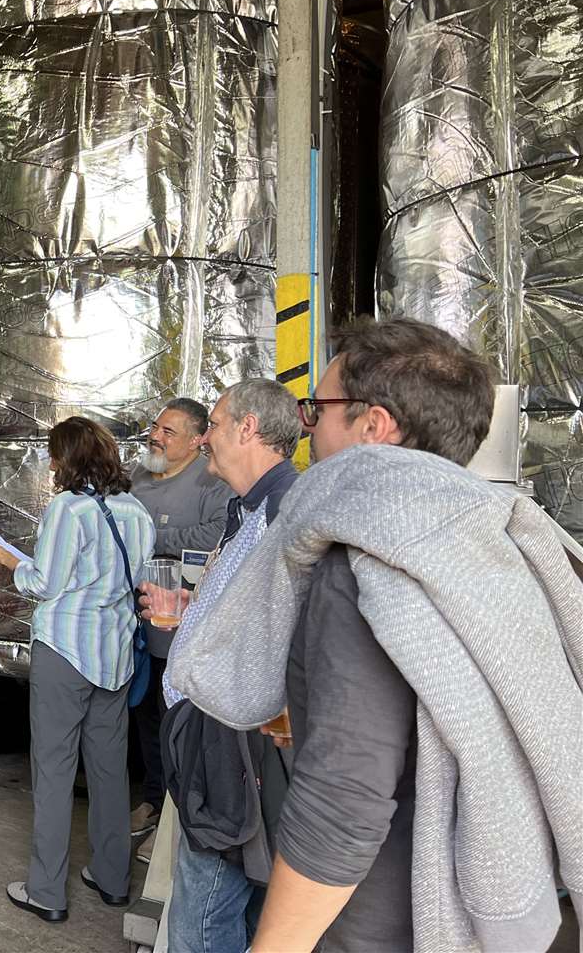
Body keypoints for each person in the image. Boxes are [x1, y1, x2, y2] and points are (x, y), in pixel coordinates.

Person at [171, 320, 564, 951]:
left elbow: (344, 797)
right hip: (467, 901)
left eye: (318, 409)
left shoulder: (359, 561)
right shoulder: (489, 538)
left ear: (373, 427)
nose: (307, 427)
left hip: (376, 917)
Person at [140, 379, 301, 953]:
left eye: (212, 424)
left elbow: (291, 637)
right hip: (211, 736)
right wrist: (191, 609)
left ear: (248, 428)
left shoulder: (287, 512)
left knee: (203, 921)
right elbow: (248, 612)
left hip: (232, 747)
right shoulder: (246, 509)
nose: (205, 437)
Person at [0, 417, 153, 921]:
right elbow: (133, 583)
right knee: (109, 769)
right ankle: (113, 877)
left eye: (55, 455)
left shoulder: (67, 509)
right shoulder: (136, 510)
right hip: (114, 655)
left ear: (68, 459)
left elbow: (46, 583)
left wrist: (10, 562)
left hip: (64, 651)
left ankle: (47, 892)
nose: (51, 464)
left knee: (53, 771)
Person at [127, 398, 230, 856]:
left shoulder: (212, 481)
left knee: (177, 723)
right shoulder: (138, 477)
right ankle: (152, 799)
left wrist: (148, 537)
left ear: (196, 440)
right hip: (136, 622)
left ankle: (172, 821)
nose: (156, 436)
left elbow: (213, 536)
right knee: (145, 716)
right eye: (156, 427)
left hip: (180, 625)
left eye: (169, 432)